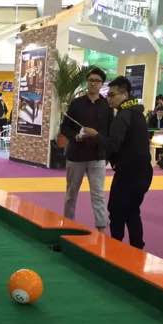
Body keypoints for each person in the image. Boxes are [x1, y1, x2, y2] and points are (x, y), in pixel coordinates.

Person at [82, 76, 152, 249]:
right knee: (132, 211)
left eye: (112, 95)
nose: (109, 98)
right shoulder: (137, 112)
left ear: (124, 94)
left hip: (129, 172)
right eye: (108, 94)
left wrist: (95, 135)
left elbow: (113, 144)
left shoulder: (124, 115)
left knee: (116, 211)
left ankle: (115, 249)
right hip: (143, 171)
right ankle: (137, 249)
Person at [60, 66, 113, 232]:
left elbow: (110, 133)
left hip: (98, 157)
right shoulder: (76, 103)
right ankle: (68, 224)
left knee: (98, 195)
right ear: (87, 82)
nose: (93, 83)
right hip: (76, 156)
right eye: (90, 80)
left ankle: (101, 229)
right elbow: (65, 127)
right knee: (71, 194)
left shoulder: (107, 106)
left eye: (97, 81)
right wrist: (76, 136)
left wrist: (101, 142)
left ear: (102, 84)